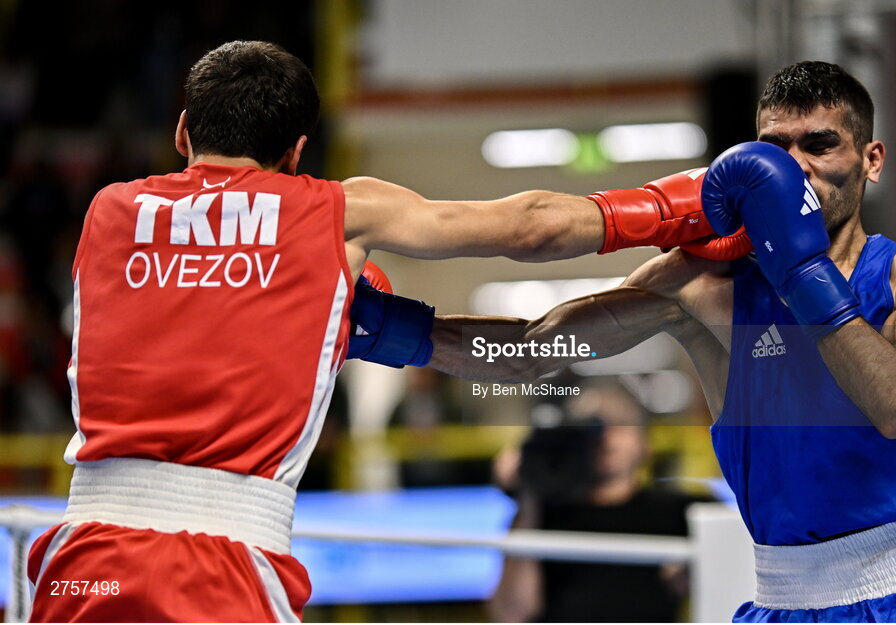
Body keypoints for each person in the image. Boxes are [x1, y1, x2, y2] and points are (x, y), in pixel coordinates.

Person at [25, 40, 743, 623]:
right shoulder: (334, 214)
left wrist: (663, 297)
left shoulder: (107, 212)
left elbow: (200, 295)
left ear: (182, 131)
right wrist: (684, 214)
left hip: (81, 565)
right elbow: (530, 254)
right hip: (218, 566)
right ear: (299, 152)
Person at [352, 61, 896, 622]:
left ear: (871, 161)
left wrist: (799, 271)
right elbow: (535, 348)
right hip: (786, 597)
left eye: (820, 145)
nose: (795, 170)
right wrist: (390, 330)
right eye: (775, 149)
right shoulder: (706, 285)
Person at [488, 385, 704, 623]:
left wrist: (700, 565)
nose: (606, 435)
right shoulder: (544, 513)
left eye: (621, 423)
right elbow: (512, 614)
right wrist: (530, 489)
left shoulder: (682, 511)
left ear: (645, 443)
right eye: (591, 425)